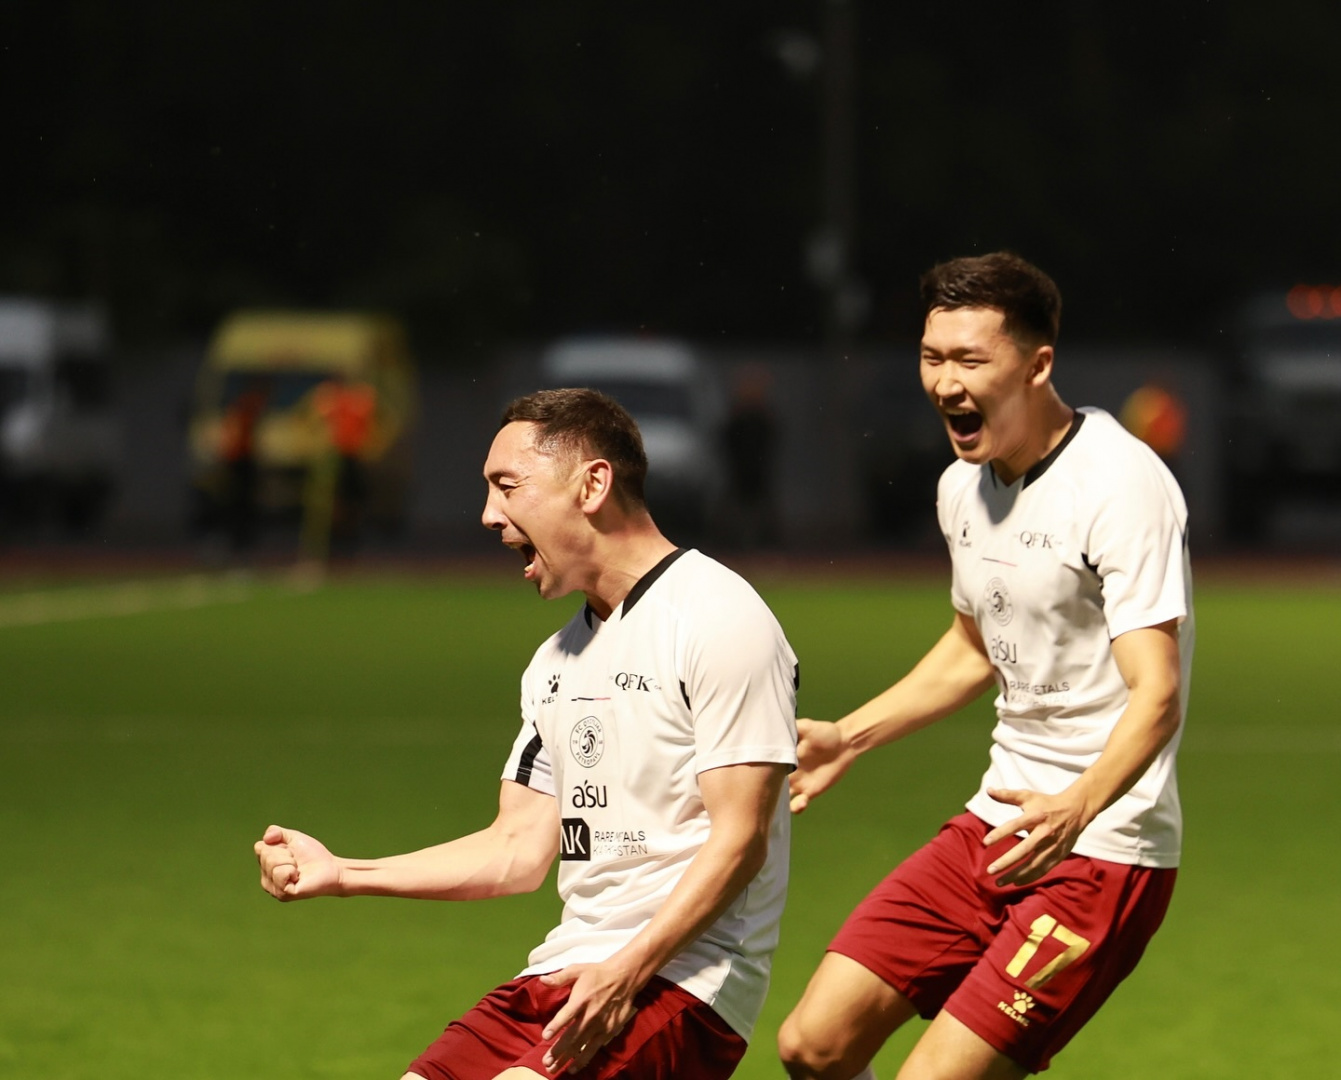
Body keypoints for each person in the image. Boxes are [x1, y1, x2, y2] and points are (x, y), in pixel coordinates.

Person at [256, 387, 800, 1080]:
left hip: (682, 982)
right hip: (565, 970)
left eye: (507, 486)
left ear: (592, 485)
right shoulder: (554, 662)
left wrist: (627, 970)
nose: (489, 514)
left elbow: (741, 841)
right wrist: (343, 873)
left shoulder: (718, 618)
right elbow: (515, 850)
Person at [777, 252, 1194, 1080]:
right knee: (812, 1047)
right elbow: (975, 646)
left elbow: (1157, 692)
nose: (946, 383)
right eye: (932, 358)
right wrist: (849, 737)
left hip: (1103, 849)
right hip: (996, 823)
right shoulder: (960, 489)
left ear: (1037, 365)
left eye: (970, 360)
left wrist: (1077, 806)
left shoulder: (1119, 486)